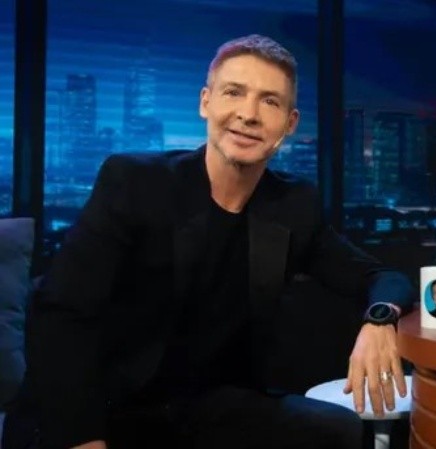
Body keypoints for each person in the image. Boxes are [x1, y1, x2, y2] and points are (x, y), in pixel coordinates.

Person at [2, 34, 413, 449]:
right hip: (101, 407)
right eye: (234, 92)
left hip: (203, 408)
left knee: (339, 430)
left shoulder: (292, 205)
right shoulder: (136, 183)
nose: (248, 115)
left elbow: (379, 276)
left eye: (270, 101)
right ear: (205, 103)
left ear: (289, 124)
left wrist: (379, 320)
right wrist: (83, 439)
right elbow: (62, 316)